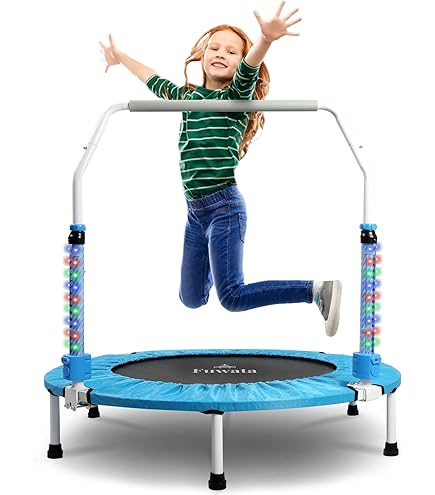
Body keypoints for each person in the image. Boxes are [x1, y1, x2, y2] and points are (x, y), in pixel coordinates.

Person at [99, 1, 342, 336]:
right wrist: (119, 56)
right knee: (191, 299)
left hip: (224, 207)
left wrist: (265, 39)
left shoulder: (235, 98)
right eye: (214, 47)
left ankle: (315, 290)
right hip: (195, 213)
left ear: (240, 61)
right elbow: (151, 78)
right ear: (202, 55)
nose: (220, 54)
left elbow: (249, 69)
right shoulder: (187, 97)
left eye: (231, 51)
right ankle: (219, 260)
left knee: (232, 297)